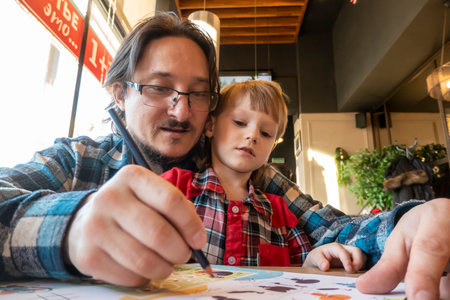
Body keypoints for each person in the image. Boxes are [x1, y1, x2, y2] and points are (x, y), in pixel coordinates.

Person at [0, 12, 447, 300]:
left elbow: (333, 225)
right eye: (159, 88)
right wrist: (70, 226)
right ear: (119, 93)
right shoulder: (80, 159)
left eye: (198, 94)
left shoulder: (246, 172)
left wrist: (406, 222)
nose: (182, 110)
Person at [160, 80, 367, 272]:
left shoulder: (280, 211)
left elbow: (300, 268)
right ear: (210, 126)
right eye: (240, 122)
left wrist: (314, 259)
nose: (253, 136)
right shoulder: (176, 186)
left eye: (266, 133)